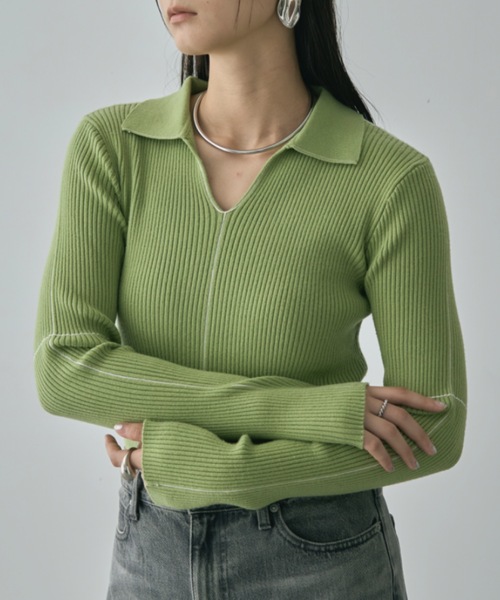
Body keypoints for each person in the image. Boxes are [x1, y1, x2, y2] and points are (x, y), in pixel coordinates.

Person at [34, 0, 467, 598]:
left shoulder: (390, 179)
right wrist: (296, 410)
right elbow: (63, 367)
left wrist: (225, 470)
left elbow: (436, 425)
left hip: (322, 559)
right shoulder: (113, 147)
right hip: (150, 554)